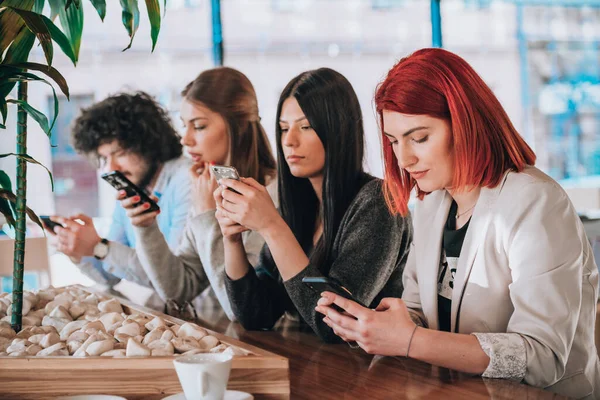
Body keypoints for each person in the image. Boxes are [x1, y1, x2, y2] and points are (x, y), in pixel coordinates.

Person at [315, 48, 600, 398]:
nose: (404, 159)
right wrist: (383, 326)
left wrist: (410, 340)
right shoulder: (433, 204)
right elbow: (421, 312)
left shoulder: (536, 202)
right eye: (393, 141)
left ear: (466, 123)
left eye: (419, 138)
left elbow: (541, 357)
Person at [214, 68, 413, 342]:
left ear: (338, 130)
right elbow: (254, 315)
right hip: (315, 369)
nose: (288, 141)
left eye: (305, 126)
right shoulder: (299, 205)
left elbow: (335, 323)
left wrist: (272, 228)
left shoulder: (379, 202)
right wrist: (231, 238)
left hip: (374, 374)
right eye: (283, 129)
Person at [120, 67, 277, 320]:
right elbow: (179, 289)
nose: (186, 139)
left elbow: (240, 307)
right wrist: (147, 228)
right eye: (185, 126)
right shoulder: (210, 187)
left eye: (199, 126)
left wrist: (207, 215)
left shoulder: (273, 194)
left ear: (237, 126)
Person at [49, 92, 191, 304]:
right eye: (105, 157)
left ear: (149, 143)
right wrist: (80, 250)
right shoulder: (132, 188)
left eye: (121, 153)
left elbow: (172, 281)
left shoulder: (187, 180)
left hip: (208, 321)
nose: (111, 168)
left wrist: (101, 248)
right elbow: (111, 277)